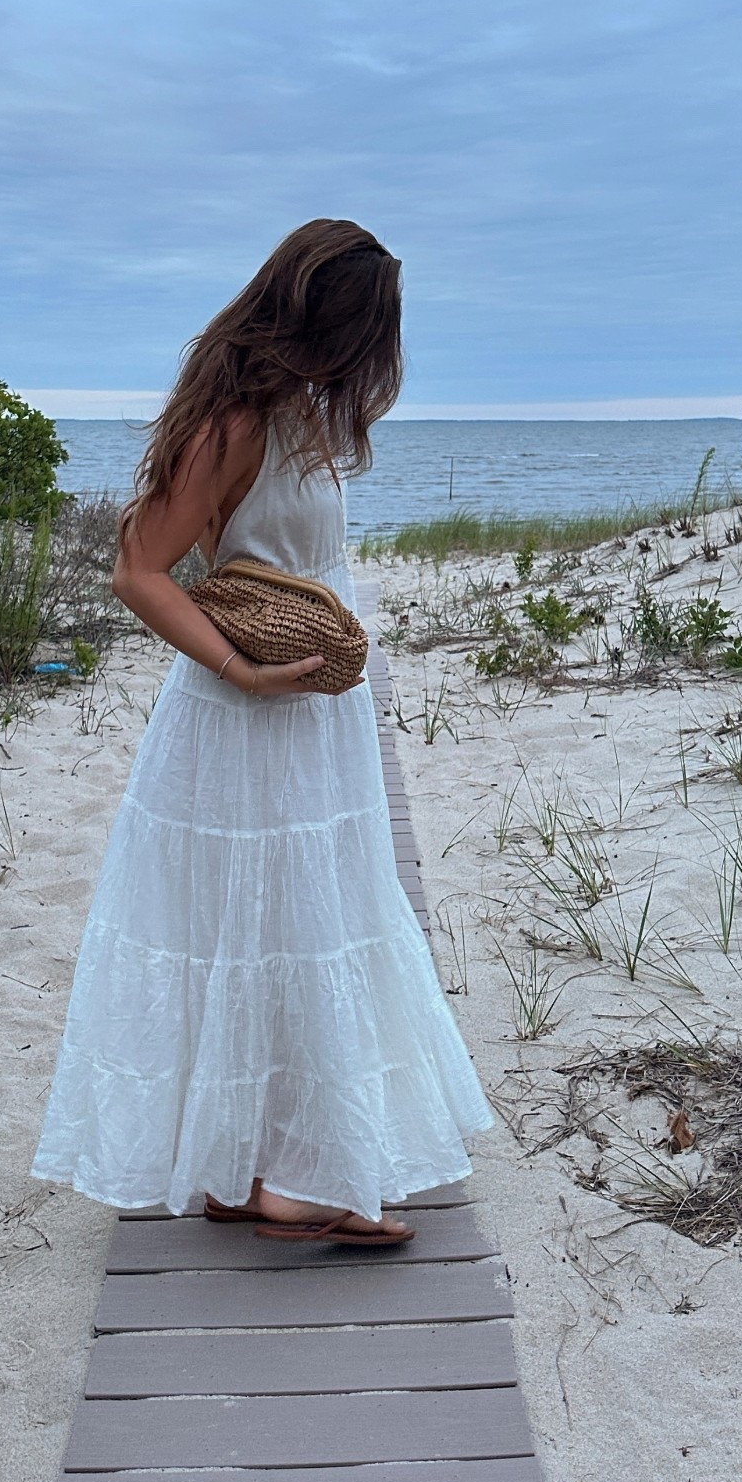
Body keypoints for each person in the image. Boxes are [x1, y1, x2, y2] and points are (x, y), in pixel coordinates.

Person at [31, 219, 492, 1243]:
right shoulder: (235, 422)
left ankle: (250, 1167)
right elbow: (139, 569)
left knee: (282, 924)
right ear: (326, 322)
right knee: (282, 925)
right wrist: (241, 668)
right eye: (367, 332)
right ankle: (303, 1178)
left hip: (311, 714)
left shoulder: (298, 412)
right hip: (247, 715)